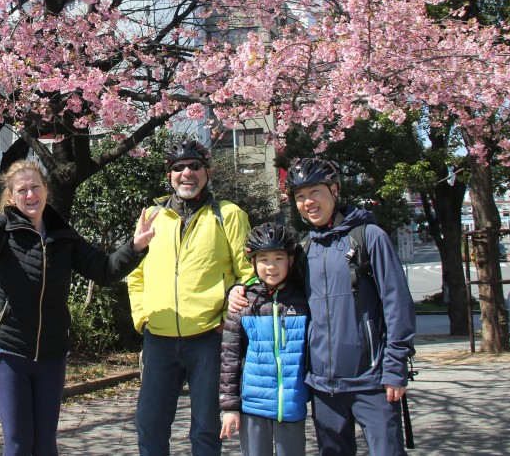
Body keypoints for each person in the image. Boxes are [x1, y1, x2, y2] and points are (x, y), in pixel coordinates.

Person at [0, 159, 157, 456]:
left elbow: (103, 270)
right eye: (22, 190)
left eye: (35, 187)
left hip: (52, 352)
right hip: (8, 348)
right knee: (19, 441)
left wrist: (135, 247)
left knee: (45, 444)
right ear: (12, 197)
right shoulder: (4, 228)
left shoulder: (63, 236)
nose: (30, 195)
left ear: (46, 191)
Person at [230, 158, 415, 455]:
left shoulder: (369, 237)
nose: (307, 202)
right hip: (323, 387)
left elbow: (398, 304)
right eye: (300, 196)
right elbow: (274, 285)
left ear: (334, 189)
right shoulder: (305, 249)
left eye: (314, 192)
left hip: (372, 380)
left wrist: (394, 367)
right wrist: (239, 289)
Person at [128, 139, 253, 456]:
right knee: (150, 424)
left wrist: (228, 318)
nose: (187, 173)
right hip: (158, 337)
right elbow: (136, 272)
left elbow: (249, 272)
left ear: (207, 172)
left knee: (207, 430)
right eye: (178, 168)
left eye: (194, 166)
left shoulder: (228, 215)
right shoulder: (152, 217)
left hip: (209, 339)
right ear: (168, 175)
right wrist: (142, 318)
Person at [220, 222, 309, 456]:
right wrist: (230, 407)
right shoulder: (243, 303)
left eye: (278, 258)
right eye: (263, 259)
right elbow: (230, 357)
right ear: (253, 263)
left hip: (292, 405)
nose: (271, 266)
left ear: (290, 260)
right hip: (252, 407)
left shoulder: (304, 300)